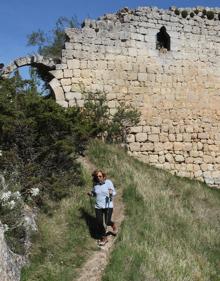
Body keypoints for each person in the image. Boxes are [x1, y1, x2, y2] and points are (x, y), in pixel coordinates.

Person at [87, 169, 117, 246]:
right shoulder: (95, 184)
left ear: (103, 176)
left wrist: (111, 192)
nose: (98, 177)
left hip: (108, 205)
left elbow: (114, 192)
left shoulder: (108, 182)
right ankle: (104, 238)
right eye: (97, 176)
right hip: (98, 206)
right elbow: (95, 193)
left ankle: (112, 224)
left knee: (107, 222)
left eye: (100, 176)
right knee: (99, 222)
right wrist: (91, 194)